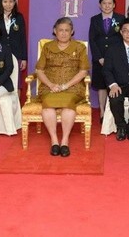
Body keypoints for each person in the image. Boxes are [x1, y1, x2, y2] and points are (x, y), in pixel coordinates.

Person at [36, 17, 89, 157]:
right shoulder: (47, 47)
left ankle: (64, 140)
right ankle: (54, 140)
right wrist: (50, 84)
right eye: (60, 30)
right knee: (48, 103)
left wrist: (66, 85)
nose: (64, 33)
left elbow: (83, 71)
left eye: (67, 30)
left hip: (73, 87)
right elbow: (39, 70)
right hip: (50, 86)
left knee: (68, 103)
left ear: (72, 32)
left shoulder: (79, 47)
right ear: (55, 31)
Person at [88, 0, 125, 120]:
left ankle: (112, 111)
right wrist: (99, 57)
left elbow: (123, 39)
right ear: (100, 5)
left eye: (110, 3)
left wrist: (113, 58)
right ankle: (102, 112)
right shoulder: (95, 19)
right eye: (104, 3)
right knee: (101, 85)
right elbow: (92, 40)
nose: (107, 6)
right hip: (99, 59)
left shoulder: (121, 18)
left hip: (115, 58)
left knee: (114, 84)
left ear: (114, 5)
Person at [0, 0, 27, 72]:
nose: (8, 4)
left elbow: (22, 37)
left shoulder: (19, 17)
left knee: (15, 80)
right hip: (0, 54)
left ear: (14, 2)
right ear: (1, 3)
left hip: (16, 54)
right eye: (5, 1)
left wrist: (24, 58)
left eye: (10, 1)